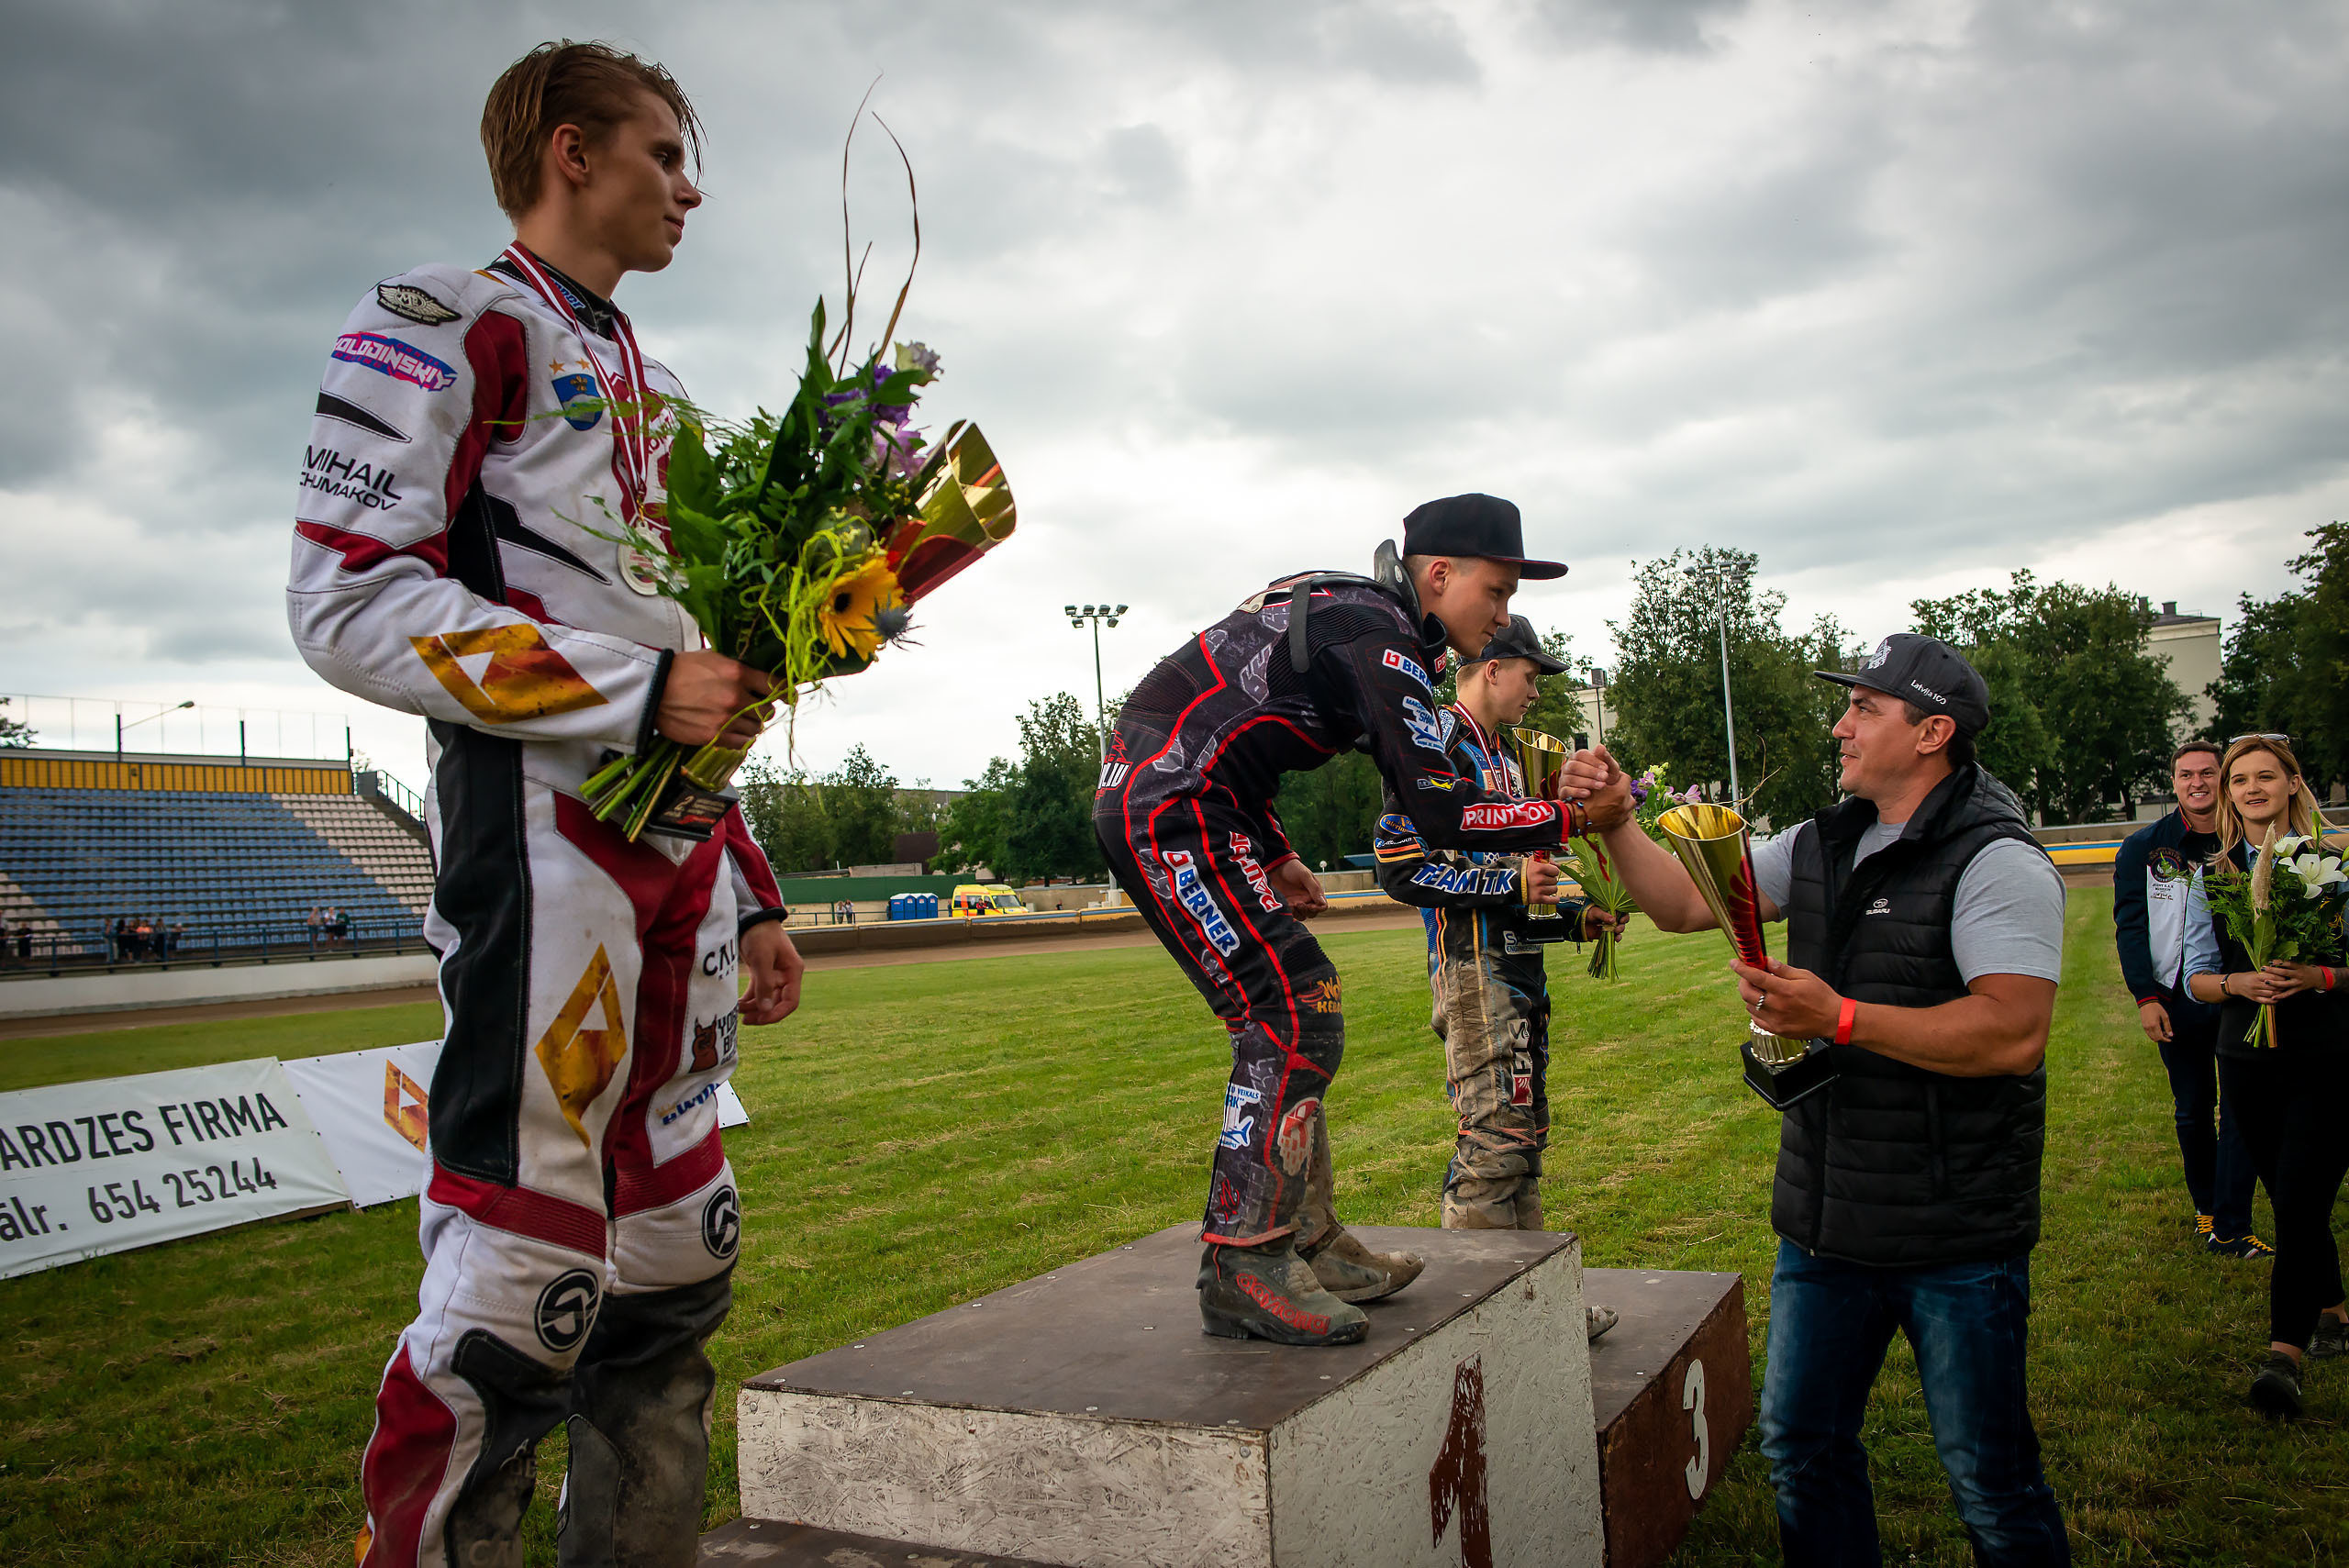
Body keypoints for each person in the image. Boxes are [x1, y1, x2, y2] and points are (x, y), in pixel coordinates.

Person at [285, 42, 803, 1567]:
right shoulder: (438, 321)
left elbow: (692, 660)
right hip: (540, 834)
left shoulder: (671, 381)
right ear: (570, 152)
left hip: (683, 856)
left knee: (674, 1252)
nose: (690, 186)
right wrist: (633, 694)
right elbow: (344, 600)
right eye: (664, 154)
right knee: (522, 1277)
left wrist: (753, 882)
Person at [1563, 632, 2069, 1566]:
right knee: (1801, 1449)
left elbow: (2010, 1032)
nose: (1839, 726)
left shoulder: (1996, 859)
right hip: (1825, 1222)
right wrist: (1612, 822)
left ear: (1933, 732)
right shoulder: (1825, 839)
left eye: (1864, 708)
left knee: (1988, 1480)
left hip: (1954, 1233)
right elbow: (1683, 904)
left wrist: (1837, 1015)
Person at [1097, 493, 1587, 1346]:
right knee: (1292, 1011)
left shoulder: (1368, 622)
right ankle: (1242, 1261)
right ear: (1439, 574)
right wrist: (1573, 820)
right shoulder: (1380, 635)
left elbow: (1233, 724)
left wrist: (1275, 846)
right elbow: (1434, 813)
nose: (1504, 617)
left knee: (1300, 1000)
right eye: (1497, 593)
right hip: (1169, 804)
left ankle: (1306, 1237)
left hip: (1189, 794)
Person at [1371, 617, 1622, 1238]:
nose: (1535, 692)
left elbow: (1520, 884)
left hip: (1518, 973)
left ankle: (1537, 1311)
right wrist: (1510, 883)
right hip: (1473, 975)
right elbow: (1400, 866)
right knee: (1494, 1148)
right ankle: (1472, 1309)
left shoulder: (1509, 758)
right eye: (1530, 676)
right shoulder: (1434, 742)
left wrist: (1573, 920)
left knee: (1524, 1147)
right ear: (1493, 668)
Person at [2180, 734, 2349, 1419]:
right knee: (2290, 1194)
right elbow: (2192, 978)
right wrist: (2238, 982)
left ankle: (2285, 1355)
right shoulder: (2209, 875)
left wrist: (2319, 975)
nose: (2252, 788)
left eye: (2265, 776)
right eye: (2239, 779)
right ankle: (2335, 1310)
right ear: (2227, 795)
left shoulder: (2334, 866)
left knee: (2303, 1198)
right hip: (2245, 1060)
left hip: (2327, 1056)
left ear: (2291, 784)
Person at [2114, 740, 2267, 1258]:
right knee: (2193, 1109)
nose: (2198, 783)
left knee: (2243, 1112)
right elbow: (2131, 926)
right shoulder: (2145, 847)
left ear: (2222, 779)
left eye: (2208, 773)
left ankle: (2233, 1221)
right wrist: (2145, 998)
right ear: (2174, 782)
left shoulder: (2245, 842)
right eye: (2186, 775)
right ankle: (2207, 1208)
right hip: (2176, 998)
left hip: (2241, 997)